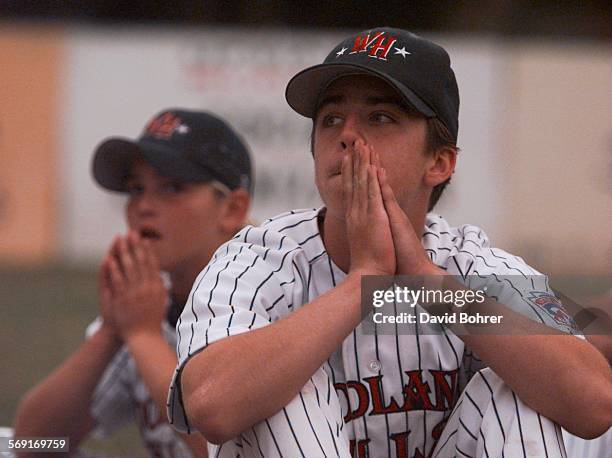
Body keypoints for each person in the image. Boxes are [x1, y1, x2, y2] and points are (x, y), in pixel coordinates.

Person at [167, 28, 612, 457]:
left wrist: (430, 284)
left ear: (439, 162)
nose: (347, 135)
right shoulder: (255, 257)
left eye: (380, 117)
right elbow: (212, 404)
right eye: (331, 118)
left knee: (518, 391)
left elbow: (594, 402)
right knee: (280, 380)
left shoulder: (473, 260)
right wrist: (364, 282)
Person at [13, 109, 253, 458]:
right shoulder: (146, 305)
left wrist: (144, 337)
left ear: (231, 209)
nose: (144, 206)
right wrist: (112, 331)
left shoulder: (267, 297)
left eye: (172, 187)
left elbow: (230, 451)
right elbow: (30, 444)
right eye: (135, 189)